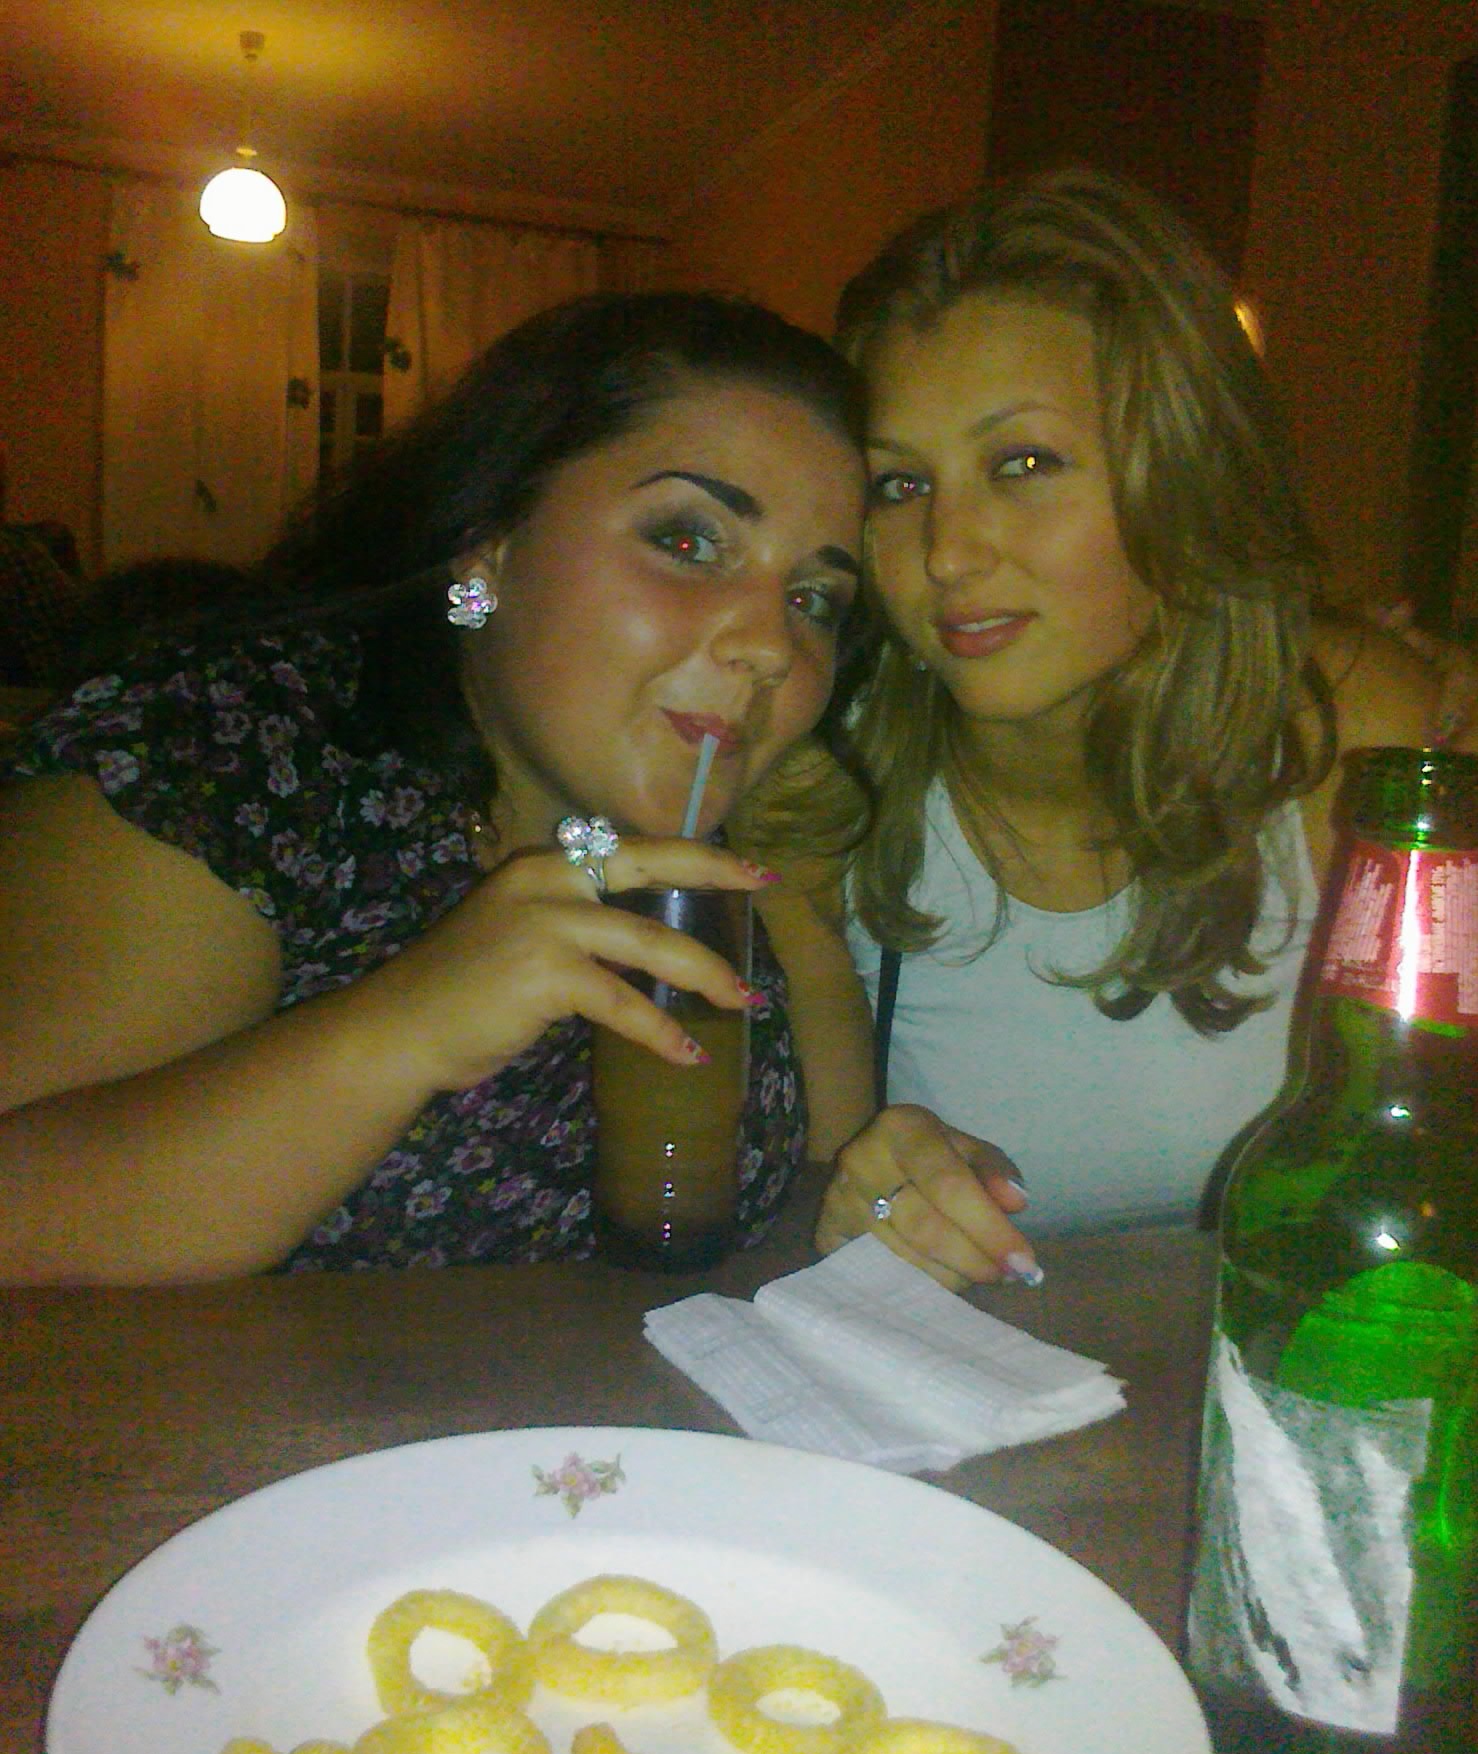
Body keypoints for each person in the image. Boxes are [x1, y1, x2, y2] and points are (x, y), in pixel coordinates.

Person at [0, 291, 877, 1284]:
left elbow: (817, 1198)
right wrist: (407, 1027)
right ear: (490, 545)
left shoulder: (744, 855)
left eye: (813, 598)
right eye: (689, 541)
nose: (771, 644)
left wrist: (890, 1189)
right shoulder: (227, 749)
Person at [796, 167, 1478, 1290]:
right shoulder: (821, 783)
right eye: (898, 485)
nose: (948, 552)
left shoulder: (1358, 736)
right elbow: (796, 1202)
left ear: (1181, 470)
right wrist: (862, 1196)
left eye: (1023, 464)